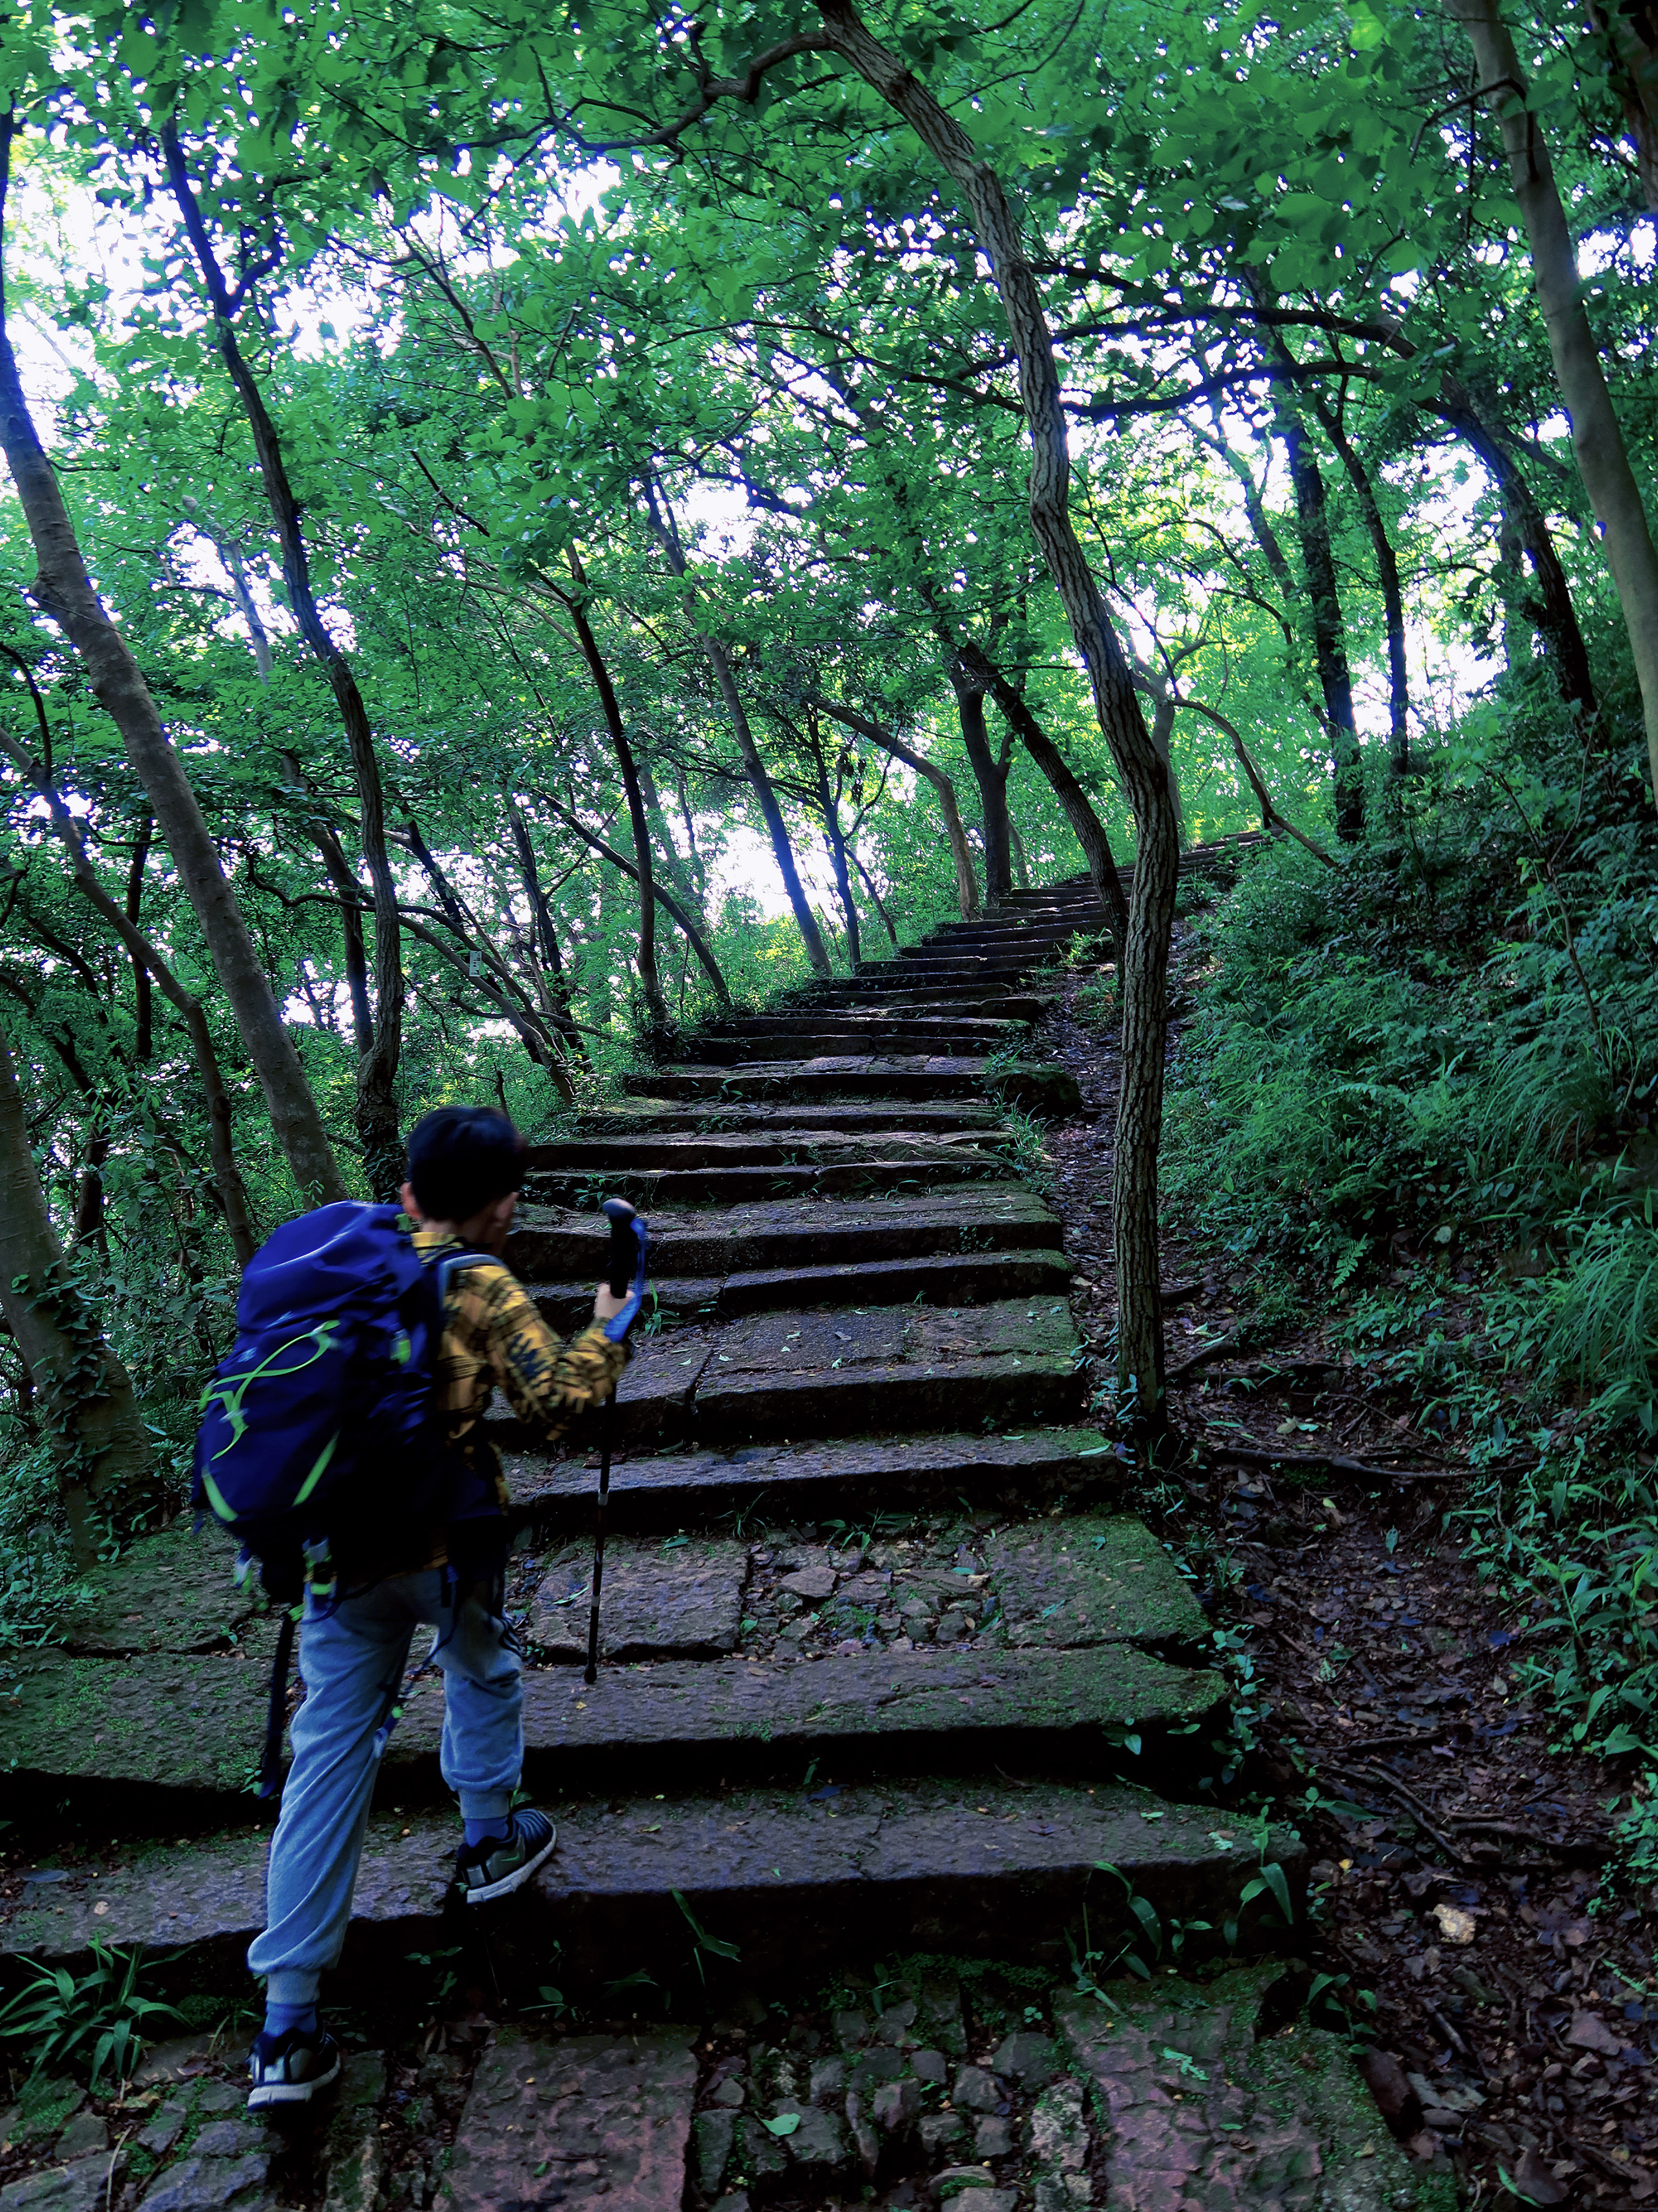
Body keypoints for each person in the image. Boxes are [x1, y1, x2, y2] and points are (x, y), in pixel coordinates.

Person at [246, 1105, 630, 2111]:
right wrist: (611, 1323)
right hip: (449, 1546)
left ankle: (287, 2024)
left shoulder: (344, 1263)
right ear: (501, 1205)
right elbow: (560, 1408)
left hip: (336, 1558)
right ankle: (490, 1835)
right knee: (481, 1665)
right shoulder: (481, 1282)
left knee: (328, 1751)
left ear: (407, 1188)